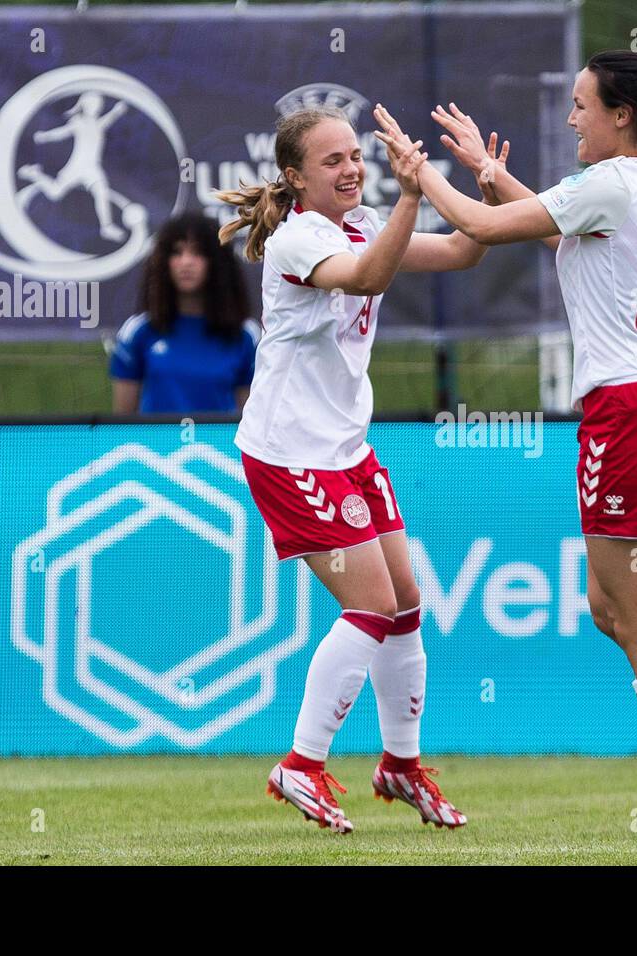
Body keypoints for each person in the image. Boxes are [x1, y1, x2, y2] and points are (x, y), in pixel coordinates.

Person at [377, 51, 637, 837]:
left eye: (582, 106)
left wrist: (417, 175)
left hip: (633, 414)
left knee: (633, 614)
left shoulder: (612, 183)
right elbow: (564, 236)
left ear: (622, 114)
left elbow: (489, 228)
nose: (570, 120)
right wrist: (488, 170)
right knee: (617, 606)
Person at [216, 104, 503, 834]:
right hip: (290, 453)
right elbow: (369, 279)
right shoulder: (297, 239)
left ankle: (400, 767)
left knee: (406, 604)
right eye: (332, 160)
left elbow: (467, 251)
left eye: (355, 155)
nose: (351, 169)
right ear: (295, 178)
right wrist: (411, 196)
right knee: (372, 607)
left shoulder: (365, 220)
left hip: (346, 449)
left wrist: (486, 177)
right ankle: (301, 765)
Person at [109, 211, 258, 415]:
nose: (186, 262)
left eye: (197, 253)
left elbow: (251, 421)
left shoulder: (245, 336)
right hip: (155, 446)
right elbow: (122, 423)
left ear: (217, 263)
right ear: (164, 262)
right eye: (177, 253)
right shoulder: (138, 331)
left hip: (220, 447)